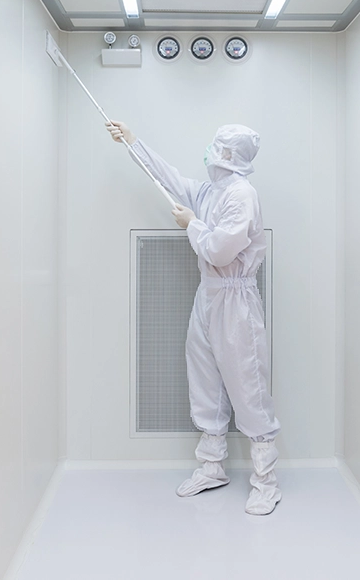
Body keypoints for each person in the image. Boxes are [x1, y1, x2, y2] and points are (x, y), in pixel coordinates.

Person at [106, 120, 282, 516]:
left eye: (216, 146)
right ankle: (212, 467)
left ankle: (265, 482)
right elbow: (167, 177)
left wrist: (192, 224)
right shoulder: (210, 191)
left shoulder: (242, 195)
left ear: (228, 154)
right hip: (208, 295)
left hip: (236, 300)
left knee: (247, 385)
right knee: (205, 380)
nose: (209, 151)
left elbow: (220, 251)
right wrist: (133, 141)